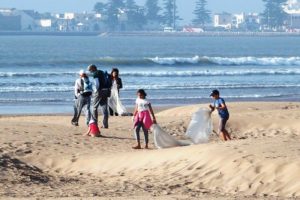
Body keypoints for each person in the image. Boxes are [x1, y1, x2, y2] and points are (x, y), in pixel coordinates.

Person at [87, 64, 111, 129]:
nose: (89, 71)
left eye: (90, 70)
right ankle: (105, 124)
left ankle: (95, 123)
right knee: (104, 107)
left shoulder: (95, 74)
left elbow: (97, 84)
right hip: (106, 90)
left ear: (93, 68)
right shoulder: (102, 72)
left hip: (99, 91)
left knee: (94, 108)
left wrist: (95, 91)